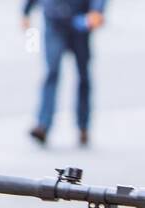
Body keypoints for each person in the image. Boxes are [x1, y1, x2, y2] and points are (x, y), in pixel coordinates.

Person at [22, 0, 106, 147]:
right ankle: (43, 125)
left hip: (80, 20)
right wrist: (26, 12)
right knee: (52, 73)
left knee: (83, 76)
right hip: (54, 20)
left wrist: (97, 10)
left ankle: (83, 126)